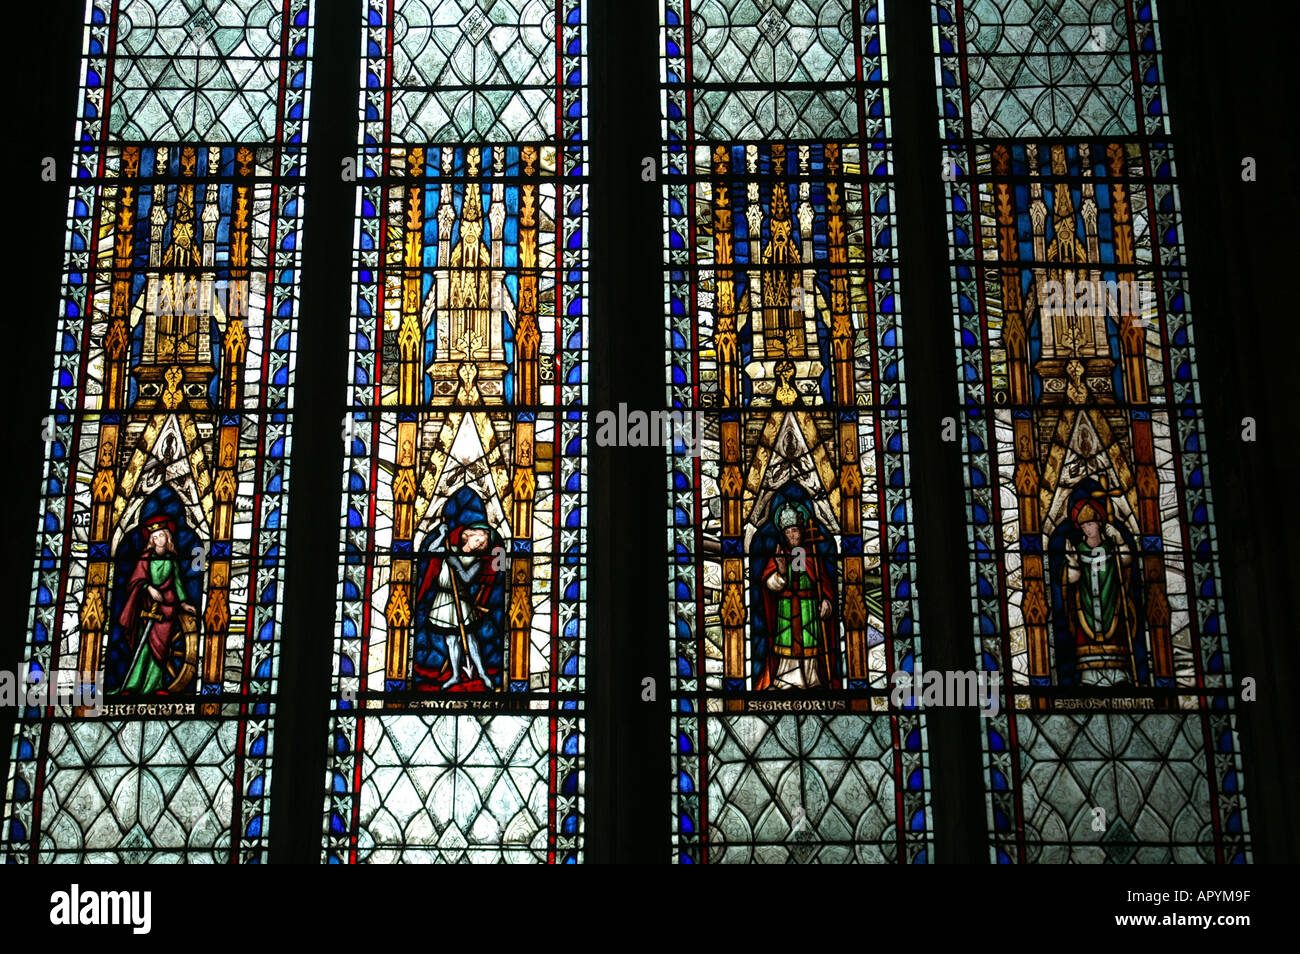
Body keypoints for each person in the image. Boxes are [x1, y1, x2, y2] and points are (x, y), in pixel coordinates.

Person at [113, 514, 197, 695]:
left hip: (167, 609)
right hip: (146, 606)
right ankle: (132, 686)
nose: (159, 539)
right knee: (143, 647)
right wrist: (148, 588)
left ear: (168, 537)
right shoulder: (145, 557)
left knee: (162, 650)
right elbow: (134, 581)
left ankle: (155, 686)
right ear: (151, 539)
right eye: (155, 537)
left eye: (162, 535)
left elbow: (178, 584)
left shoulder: (172, 560)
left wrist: (183, 604)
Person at [756, 504, 836, 690]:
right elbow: (770, 585)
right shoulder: (780, 555)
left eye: (796, 531)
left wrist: (826, 601)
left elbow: (824, 583)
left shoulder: (811, 556)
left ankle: (812, 680)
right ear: (784, 535)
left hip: (809, 607)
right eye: (789, 532)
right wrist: (781, 572)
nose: (793, 535)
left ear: (802, 532)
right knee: (787, 645)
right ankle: (787, 681)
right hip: (786, 606)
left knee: (810, 643)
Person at [1061, 494, 1138, 685]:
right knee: (1085, 636)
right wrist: (1072, 563)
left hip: (1111, 601)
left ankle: (1118, 673)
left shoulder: (1111, 547)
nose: (1088, 529)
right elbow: (1071, 580)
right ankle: (1090, 676)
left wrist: (1119, 541)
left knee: (1116, 630)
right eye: (1084, 525)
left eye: (1091, 524)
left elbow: (1126, 562)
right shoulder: (1077, 549)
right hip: (1085, 604)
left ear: (1099, 524)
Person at [414, 521, 500, 689]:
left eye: (483, 544)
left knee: (470, 637)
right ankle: (455, 675)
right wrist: (441, 535)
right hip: (444, 599)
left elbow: (467, 579)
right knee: (451, 639)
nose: (480, 544)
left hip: (461, 599)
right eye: (478, 539)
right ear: (468, 535)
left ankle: (482, 673)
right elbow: (431, 550)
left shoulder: (477, 561)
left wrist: (456, 564)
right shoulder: (450, 550)